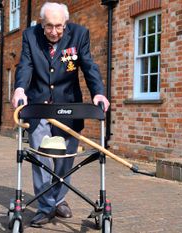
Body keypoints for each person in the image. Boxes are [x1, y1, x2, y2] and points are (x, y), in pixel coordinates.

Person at [12, 2, 109, 228]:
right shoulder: (30, 36)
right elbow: (25, 66)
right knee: (40, 157)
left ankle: (60, 199)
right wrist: (19, 89)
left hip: (69, 105)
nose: (54, 32)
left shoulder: (80, 34)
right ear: (41, 23)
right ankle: (46, 207)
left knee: (65, 159)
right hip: (39, 106)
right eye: (48, 26)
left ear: (66, 24)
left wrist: (98, 94)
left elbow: (88, 65)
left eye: (58, 26)